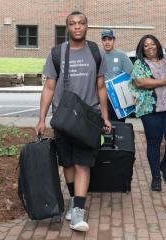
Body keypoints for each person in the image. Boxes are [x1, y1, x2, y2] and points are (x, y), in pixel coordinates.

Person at [35, 11, 111, 232]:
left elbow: (101, 86)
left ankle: (78, 212)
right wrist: (41, 118)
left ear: (87, 26)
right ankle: (73, 201)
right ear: (67, 27)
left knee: (82, 163)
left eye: (81, 23)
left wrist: (105, 116)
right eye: (72, 24)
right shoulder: (57, 53)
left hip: (88, 118)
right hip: (63, 118)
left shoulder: (96, 52)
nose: (77, 27)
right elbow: (49, 87)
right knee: (67, 163)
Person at [129, 34, 166, 191]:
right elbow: (140, 82)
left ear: (157, 45)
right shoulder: (140, 64)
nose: (150, 48)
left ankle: (165, 164)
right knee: (153, 142)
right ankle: (156, 177)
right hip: (149, 110)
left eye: (152, 44)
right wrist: (164, 81)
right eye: (146, 46)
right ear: (142, 49)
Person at [101, 29, 134, 122]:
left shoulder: (121, 56)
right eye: (104, 39)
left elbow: (133, 75)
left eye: (109, 39)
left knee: (118, 129)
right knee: (103, 128)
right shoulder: (99, 56)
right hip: (103, 99)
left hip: (118, 100)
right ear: (102, 41)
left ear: (114, 40)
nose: (107, 42)